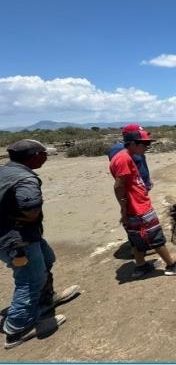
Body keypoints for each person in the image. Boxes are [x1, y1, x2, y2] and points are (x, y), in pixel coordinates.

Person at [0, 140, 79, 349]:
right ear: (35, 155)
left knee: (47, 259)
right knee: (29, 279)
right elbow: (31, 208)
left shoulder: (6, 171)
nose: (46, 157)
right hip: (17, 239)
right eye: (44, 153)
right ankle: (17, 329)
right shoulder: (26, 179)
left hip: (20, 235)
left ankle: (45, 301)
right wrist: (13, 219)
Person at [109, 127, 176, 278]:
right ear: (133, 143)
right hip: (138, 207)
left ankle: (141, 266)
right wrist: (124, 208)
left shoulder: (126, 155)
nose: (147, 147)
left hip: (135, 206)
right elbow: (118, 186)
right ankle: (172, 266)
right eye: (145, 144)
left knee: (137, 239)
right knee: (156, 237)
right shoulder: (123, 159)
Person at [108, 124, 152, 192]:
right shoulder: (120, 150)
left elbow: (142, 165)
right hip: (134, 188)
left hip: (142, 185)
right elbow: (121, 170)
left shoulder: (137, 150)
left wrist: (148, 181)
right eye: (139, 134)